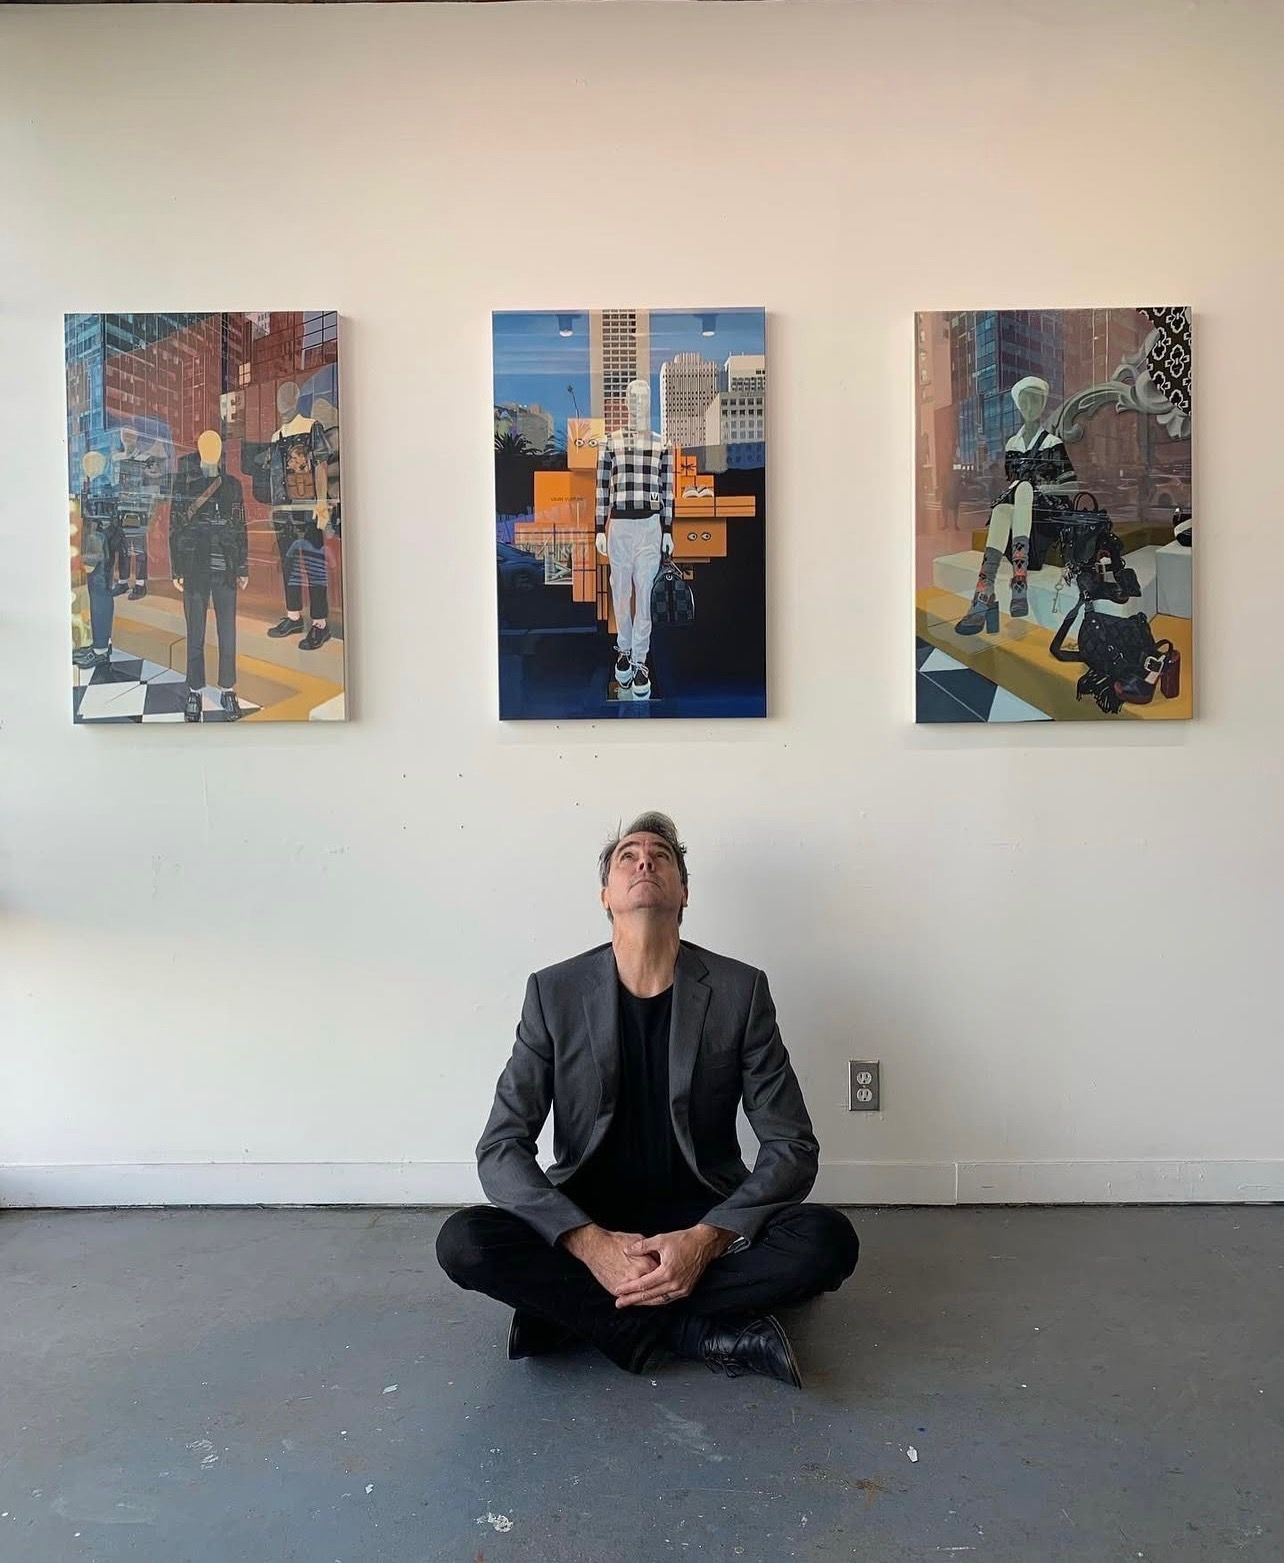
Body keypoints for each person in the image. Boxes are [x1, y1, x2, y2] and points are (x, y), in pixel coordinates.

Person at [436, 812, 859, 1388]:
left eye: (660, 856)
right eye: (627, 856)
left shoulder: (739, 991)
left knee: (827, 1241)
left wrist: (707, 1239)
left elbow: (791, 1145)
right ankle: (695, 1330)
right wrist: (588, 1243)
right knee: (464, 1243)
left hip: (701, 1212)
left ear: (683, 892)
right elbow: (501, 1147)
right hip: (590, 1214)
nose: (644, 861)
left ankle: (581, 1318)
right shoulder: (554, 992)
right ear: (605, 895)